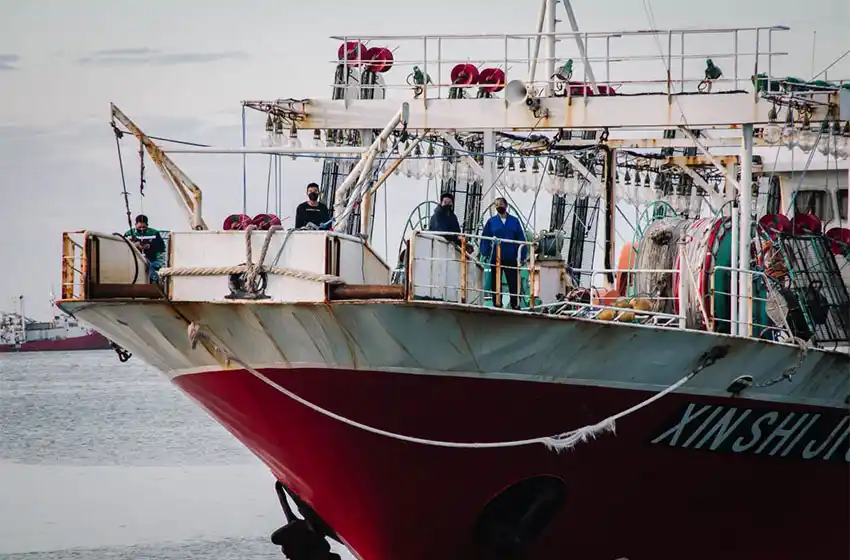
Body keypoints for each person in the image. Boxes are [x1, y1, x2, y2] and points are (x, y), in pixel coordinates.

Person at [479, 198, 528, 310]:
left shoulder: (514, 221)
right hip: (496, 257)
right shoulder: (491, 222)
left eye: (501, 204)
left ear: (506, 206)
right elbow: (485, 237)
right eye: (496, 205)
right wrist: (485, 252)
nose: (498, 206)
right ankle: (497, 303)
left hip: (511, 257)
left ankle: (515, 303)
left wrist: (523, 255)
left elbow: (521, 238)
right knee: (495, 281)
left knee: (513, 281)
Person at [124, 214, 165, 282]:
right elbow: (125, 247)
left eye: (144, 227)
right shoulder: (128, 234)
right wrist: (134, 245)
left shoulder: (154, 233)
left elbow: (161, 248)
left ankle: (154, 280)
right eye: (140, 227)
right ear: (135, 224)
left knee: (153, 268)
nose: (142, 229)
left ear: (147, 225)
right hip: (135, 261)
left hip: (152, 260)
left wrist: (149, 246)